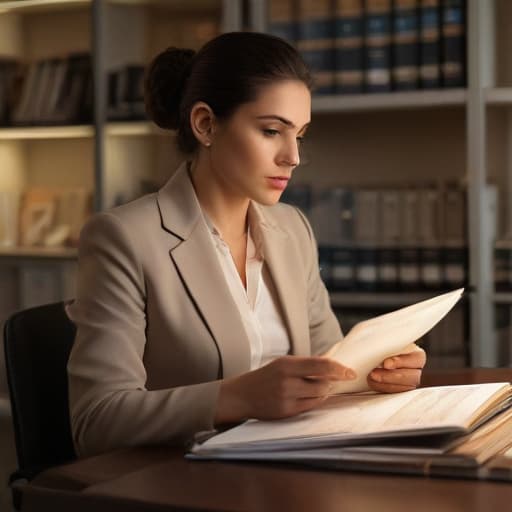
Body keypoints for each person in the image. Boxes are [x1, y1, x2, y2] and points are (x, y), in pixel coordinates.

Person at [67, 31, 426, 457]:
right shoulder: (124, 239)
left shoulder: (293, 229)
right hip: (182, 484)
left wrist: (374, 372)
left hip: (290, 467)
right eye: (272, 130)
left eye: (301, 134)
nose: (292, 156)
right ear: (206, 124)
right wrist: (234, 397)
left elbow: (330, 367)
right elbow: (96, 419)